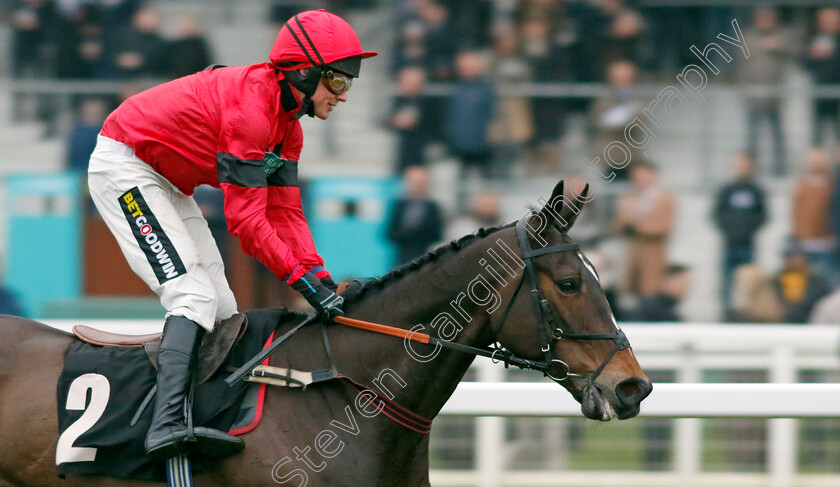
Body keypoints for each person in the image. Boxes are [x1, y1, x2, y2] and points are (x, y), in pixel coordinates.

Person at [87, 9, 376, 461]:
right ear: (304, 71)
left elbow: (286, 214)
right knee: (193, 298)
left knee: (222, 309)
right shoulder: (252, 113)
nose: (343, 96)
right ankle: (164, 426)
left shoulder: (288, 130)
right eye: (338, 82)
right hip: (124, 168)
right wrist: (301, 284)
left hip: (165, 181)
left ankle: (198, 415)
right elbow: (246, 224)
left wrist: (319, 278)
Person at [738, 7, 796, 176]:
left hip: (774, 96)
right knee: (753, 136)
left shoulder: (782, 35)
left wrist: (777, 46)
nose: (764, 22)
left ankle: (780, 168)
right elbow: (741, 63)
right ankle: (749, 169)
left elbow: (795, 51)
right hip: (754, 95)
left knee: (777, 134)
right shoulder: (748, 36)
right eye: (761, 18)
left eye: (768, 18)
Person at [712, 153, 767, 319]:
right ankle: (726, 314)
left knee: (750, 282)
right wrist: (730, 230)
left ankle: (749, 314)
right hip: (730, 244)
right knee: (727, 282)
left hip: (748, 244)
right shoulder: (727, 189)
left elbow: (762, 215)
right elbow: (717, 213)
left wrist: (747, 230)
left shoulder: (756, 190)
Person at [612, 161, 676, 297]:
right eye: (635, 176)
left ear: (653, 175)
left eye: (642, 175)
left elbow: (664, 226)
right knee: (631, 289)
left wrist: (639, 227)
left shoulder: (665, 198)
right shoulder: (629, 198)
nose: (639, 179)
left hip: (653, 251)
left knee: (650, 289)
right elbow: (619, 223)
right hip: (632, 251)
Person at [792, 148, 836, 280]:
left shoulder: (832, 184)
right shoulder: (802, 184)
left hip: (826, 242)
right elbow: (796, 212)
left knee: (826, 280)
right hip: (805, 243)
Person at [386, 166, 444, 265]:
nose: (417, 185)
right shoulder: (399, 206)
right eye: (414, 182)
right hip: (402, 257)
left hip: (424, 255)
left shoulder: (433, 207)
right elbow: (390, 233)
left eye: (421, 182)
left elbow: (437, 233)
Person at [625, 264, 691, 322]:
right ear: (666, 281)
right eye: (681, 281)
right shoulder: (650, 309)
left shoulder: (670, 309)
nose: (685, 286)